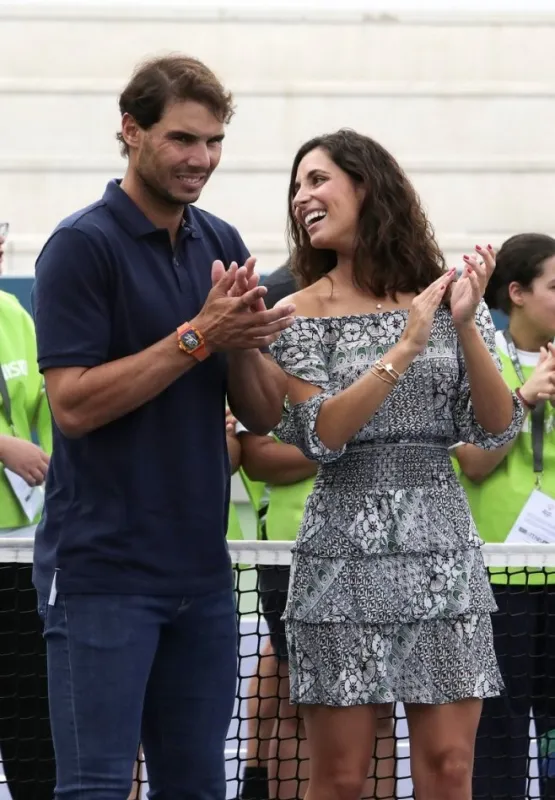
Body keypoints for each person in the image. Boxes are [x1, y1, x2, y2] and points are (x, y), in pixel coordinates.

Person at [31, 54, 294, 800]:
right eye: (182, 139)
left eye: (214, 142)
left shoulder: (221, 240)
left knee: (196, 788)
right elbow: (73, 406)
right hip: (101, 573)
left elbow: (264, 414)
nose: (200, 159)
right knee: (97, 788)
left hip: (202, 576)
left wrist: (243, 342)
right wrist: (200, 336)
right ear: (131, 130)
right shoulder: (80, 245)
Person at [268, 129, 524, 800]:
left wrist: (463, 324)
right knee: (342, 778)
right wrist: (404, 347)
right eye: (296, 186)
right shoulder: (294, 313)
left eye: (317, 179)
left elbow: (495, 426)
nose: (301, 197)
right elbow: (320, 436)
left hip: (442, 550)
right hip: (340, 558)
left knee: (449, 767)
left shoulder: (446, 300)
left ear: (366, 185)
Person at [452, 233, 555, 800]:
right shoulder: (480, 355)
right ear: (516, 292)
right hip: (498, 573)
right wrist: (525, 398)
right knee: (499, 738)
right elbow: (473, 462)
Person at [0, 284, 55, 798]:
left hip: (19, 548)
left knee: (27, 708)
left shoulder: (12, 312)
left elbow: (49, 398)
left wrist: (69, 469)